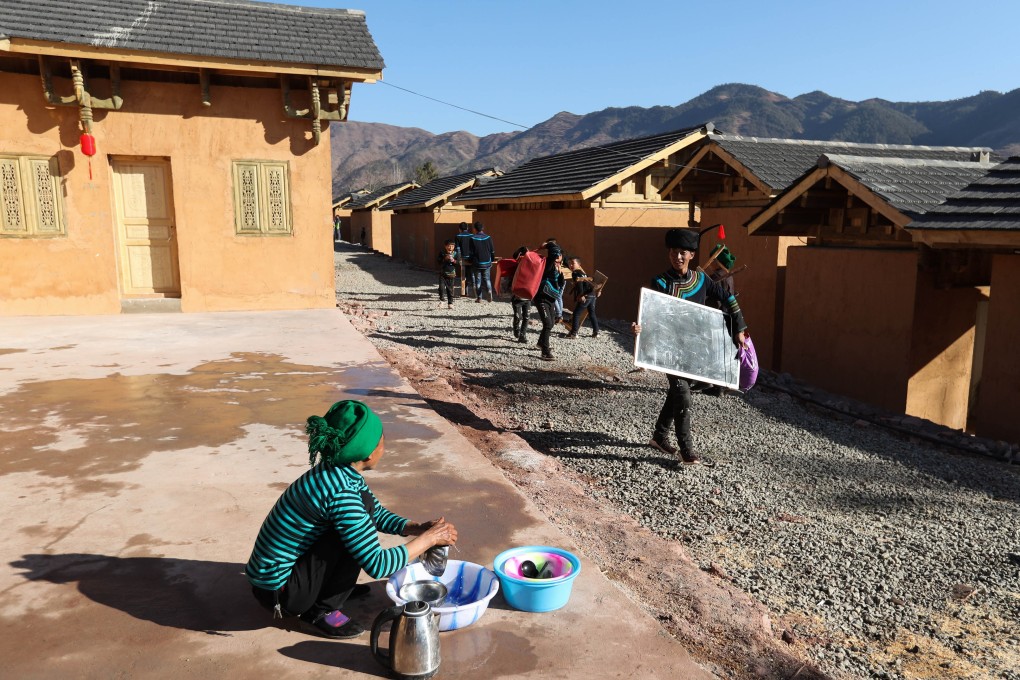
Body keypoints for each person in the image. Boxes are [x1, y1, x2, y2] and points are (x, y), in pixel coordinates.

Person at [246, 400, 458, 639]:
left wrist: (417, 529)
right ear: (368, 452)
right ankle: (320, 610)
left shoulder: (336, 471)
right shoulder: (341, 493)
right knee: (352, 532)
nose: (384, 445)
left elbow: (375, 512)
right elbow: (378, 564)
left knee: (362, 514)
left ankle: (329, 589)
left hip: (276, 578)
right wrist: (429, 540)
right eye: (382, 440)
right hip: (280, 593)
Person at [631, 228, 747, 466]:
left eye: (683, 252)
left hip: (693, 350)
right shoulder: (660, 281)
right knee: (682, 393)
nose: (678, 257)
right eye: (673, 252)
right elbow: (652, 315)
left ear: (692, 255)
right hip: (669, 350)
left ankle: (658, 437)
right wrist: (640, 329)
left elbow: (729, 299)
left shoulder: (702, 279)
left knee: (676, 391)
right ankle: (687, 451)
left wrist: (739, 328)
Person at [534, 249, 564, 361]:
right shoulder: (547, 266)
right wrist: (547, 245)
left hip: (551, 299)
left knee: (551, 324)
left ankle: (541, 343)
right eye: (556, 259)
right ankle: (545, 352)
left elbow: (560, 285)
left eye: (560, 260)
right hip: (541, 298)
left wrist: (560, 274)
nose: (557, 262)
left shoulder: (557, 270)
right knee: (547, 324)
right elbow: (553, 253)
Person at [565, 256, 599, 339]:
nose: (571, 265)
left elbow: (580, 283)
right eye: (570, 263)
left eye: (573, 263)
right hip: (592, 295)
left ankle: (574, 333)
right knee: (592, 313)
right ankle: (596, 332)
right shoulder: (583, 273)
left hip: (586, 295)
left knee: (576, 313)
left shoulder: (575, 273)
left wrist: (581, 295)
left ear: (579, 264)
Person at [509, 246, 532, 343]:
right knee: (517, 316)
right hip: (517, 297)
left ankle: (523, 335)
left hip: (527, 298)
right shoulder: (516, 268)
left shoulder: (531, 267)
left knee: (526, 317)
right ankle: (516, 329)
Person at [469, 221, 495, 303]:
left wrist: (470, 260)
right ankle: (489, 291)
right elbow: (492, 251)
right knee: (487, 279)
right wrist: (492, 259)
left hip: (477, 263)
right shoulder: (488, 238)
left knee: (478, 280)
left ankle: (479, 298)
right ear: (483, 228)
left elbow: (471, 252)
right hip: (487, 262)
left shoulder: (472, 238)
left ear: (475, 229)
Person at [454, 222, 474, 298]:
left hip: (463, 258)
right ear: (467, 228)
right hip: (471, 259)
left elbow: (458, 249)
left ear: (459, 229)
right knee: (472, 275)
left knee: (463, 276)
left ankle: (464, 292)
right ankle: (476, 293)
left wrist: (459, 259)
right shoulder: (472, 236)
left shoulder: (458, 236)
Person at [438, 239, 458, 309]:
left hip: (451, 274)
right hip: (442, 274)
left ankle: (450, 303)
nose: (450, 248)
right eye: (449, 246)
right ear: (445, 246)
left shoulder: (456, 253)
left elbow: (459, 262)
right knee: (441, 288)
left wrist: (454, 260)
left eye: (452, 246)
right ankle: (442, 300)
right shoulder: (442, 253)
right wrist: (444, 258)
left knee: (450, 289)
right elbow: (438, 261)